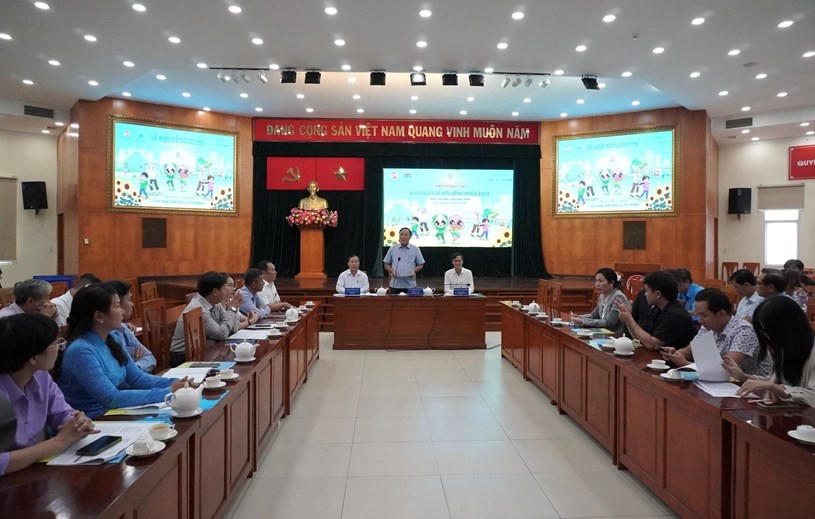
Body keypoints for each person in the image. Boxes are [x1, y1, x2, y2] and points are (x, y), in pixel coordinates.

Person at [57, 284, 185, 419]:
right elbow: (111, 398)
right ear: (99, 316)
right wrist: (167, 392)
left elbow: (137, 378)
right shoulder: (81, 351)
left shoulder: (112, 338)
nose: (122, 311)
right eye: (117, 306)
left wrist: (177, 383)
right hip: (92, 419)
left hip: (115, 412)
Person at [0, 314, 98, 476]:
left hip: (33, 473)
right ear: (33, 357)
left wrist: (77, 422)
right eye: (55, 344)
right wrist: (58, 442)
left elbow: (62, 413)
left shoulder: (41, 376)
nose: (60, 348)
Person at [724, 297, 815, 406]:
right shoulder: (786, 349)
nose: (768, 338)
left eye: (769, 332)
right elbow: (774, 381)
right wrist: (744, 377)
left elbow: (812, 395)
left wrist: (773, 387)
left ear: (787, 328)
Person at [660, 288, 772, 376]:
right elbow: (690, 349)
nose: (700, 320)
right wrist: (677, 354)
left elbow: (724, 369)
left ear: (721, 313)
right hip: (723, 383)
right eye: (698, 315)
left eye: (704, 315)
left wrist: (685, 364)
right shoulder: (707, 327)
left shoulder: (744, 331)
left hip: (752, 388)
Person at [169, 271, 257, 367]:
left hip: (204, 349)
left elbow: (233, 328)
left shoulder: (215, 303)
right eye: (224, 288)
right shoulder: (200, 309)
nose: (228, 291)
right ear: (215, 292)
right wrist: (232, 309)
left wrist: (234, 309)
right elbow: (222, 334)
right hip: (183, 357)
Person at [617, 270, 697, 350]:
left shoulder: (675, 314)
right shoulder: (657, 309)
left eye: (647, 291)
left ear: (658, 294)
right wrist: (627, 320)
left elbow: (652, 345)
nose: (645, 294)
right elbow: (641, 339)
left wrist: (630, 319)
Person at [106, 280, 156, 373]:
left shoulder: (124, 328)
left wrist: (134, 367)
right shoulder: (105, 335)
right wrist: (132, 366)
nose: (132, 304)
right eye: (129, 300)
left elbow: (150, 358)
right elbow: (117, 374)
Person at [572, 268, 628, 335]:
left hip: (615, 335)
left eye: (600, 281)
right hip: (604, 333)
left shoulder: (618, 297)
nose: (597, 284)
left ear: (612, 282)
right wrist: (580, 317)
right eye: (596, 281)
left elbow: (608, 323)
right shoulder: (602, 295)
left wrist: (583, 321)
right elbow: (593, 315)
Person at [383, 227, 425, 294]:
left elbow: (421, 264)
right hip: (395, 284)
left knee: (410, 301)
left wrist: (414, 271)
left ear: (410, 237)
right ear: (399, 236)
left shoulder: (415, 249)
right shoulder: (392, 248)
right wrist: (392, 271)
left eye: (406, 235)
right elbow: (386, 264)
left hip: (410, 284)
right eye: (401, 234)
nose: (403, 236)